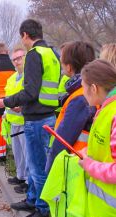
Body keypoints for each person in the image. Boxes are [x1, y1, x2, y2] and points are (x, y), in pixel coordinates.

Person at [0, 19, 60, 217]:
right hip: (47, 115)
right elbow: (44, 89)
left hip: (36, 120)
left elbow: (30, 91)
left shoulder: (34, 55)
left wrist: (5, 101)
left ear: (25, 36)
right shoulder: (52, 54)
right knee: (36, 165)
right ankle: (32, 199)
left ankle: (41, 208)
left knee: (37, 167)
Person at [79, 59, 116, 217]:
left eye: (83, 88)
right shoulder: (104, 109)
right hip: (104, 210)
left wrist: (88, 164)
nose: (82, 93)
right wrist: (88, 155)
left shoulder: (113, 113)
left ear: (93, 88)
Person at [45, 41, 96, 173]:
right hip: (83, 160)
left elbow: (64, 139)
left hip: (75, 163)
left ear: (69, 67)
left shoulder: (80, 97)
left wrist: (51, 168)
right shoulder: (91, 91)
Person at [3, 47, 28, 191]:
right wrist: (6, 110)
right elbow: (8, 96)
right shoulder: (12, 78)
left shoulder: (28, 77)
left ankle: (27, 181)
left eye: (19, 58)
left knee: (27, 154)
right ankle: (20, 175)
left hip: (24, 121)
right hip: (13, 121)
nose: (17, 62)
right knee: (17, 152)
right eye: (14, 59)